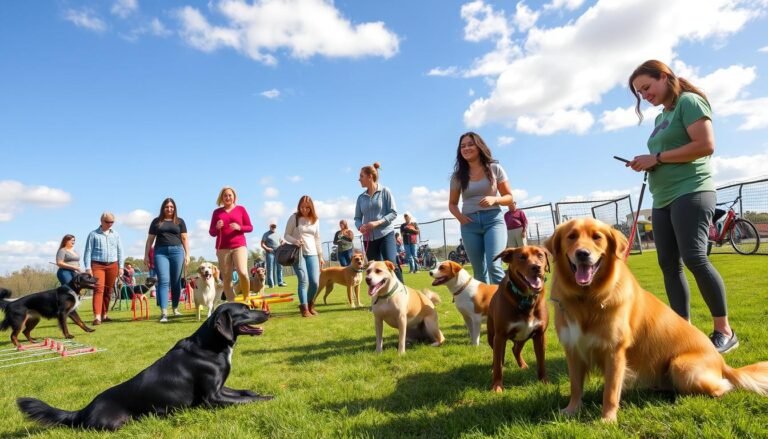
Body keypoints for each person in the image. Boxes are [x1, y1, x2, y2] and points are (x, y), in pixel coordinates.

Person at [628, 59, 737, 354]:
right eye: (639, 92)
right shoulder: (660, 118)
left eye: (647, 87)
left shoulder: (689, 102)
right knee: (668, 265)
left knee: (694, 258)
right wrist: (647, 163)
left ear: (664, 77)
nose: (644, 95)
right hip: (661, 198)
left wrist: (658, 158)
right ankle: (682, 331)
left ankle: (724, 330)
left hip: (692, 191)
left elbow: (705, 145)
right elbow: (664, 154)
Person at [449, 132, 513, 284]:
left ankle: (505, 305)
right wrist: (460, 218)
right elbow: (452, 204)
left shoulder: (495, 169)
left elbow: (509, 197)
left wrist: (495, 199)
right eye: (462, 146)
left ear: (479, 146)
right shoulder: (458, 176)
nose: (466, 148)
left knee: (494, 266)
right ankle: (485, 307)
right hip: (469, 225)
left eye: (470, 144)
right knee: (479, 271)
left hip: (493, 221)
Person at [355, 163, 403, 283]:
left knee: (391, 264)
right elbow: (357, 218)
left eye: (361, 176)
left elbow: (393, 213)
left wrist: (377, 223)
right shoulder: (360, 198)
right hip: (368, 239)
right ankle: (379, 299)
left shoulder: (385, 191)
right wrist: (360, 226)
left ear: (370, 176)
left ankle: (403, 293)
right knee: (374, 269)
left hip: (386, 235)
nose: (359, 179)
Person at [145, 197, 190, 323]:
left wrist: (187, 255)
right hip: (160, 252)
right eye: (167, 207)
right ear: (163, 208)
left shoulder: (180, 221)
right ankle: (164, 313)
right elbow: (150, 240)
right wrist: (146, 255)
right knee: (164, 281)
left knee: (176, 282)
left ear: (174, 208)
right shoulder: (156, 222)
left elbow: (185, 239)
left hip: (177, 251)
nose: (169, 209)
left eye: (171, 207)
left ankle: (175, 308)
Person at [209, 186, 252, 302]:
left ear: (234, 197)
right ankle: (232, 303)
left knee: (243, 272)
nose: (227, 197)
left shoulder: (241, 209)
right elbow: (211, 232)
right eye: (225, 195)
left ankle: (246, 298)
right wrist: (217, 227)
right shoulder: (217, 212)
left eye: (230, 195)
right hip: (222, 248)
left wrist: (239, 227)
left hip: (239, 246)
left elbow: (250, 227)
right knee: (227, 278)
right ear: (221, 198)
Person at [284, 195, 324, 317]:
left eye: (307, 207)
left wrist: (320, 256)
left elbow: (317, 238)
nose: (304, 209)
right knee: (303, 280)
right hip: (298, 254)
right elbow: (286, 235)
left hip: (312, 254)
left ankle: (311, 304)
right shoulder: (294, 218)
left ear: (311, 207)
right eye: (302, 207)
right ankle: (304, 308)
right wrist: (295, 241)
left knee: (315, 282)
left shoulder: (316, 220)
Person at [83, 212, 124, 325]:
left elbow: (120, 251)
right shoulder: (93, 234)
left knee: (108, 290)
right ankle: (97, 317)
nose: (110, 224)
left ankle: (104, 314)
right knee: (98, 289)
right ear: (101, 221)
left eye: (112, 222)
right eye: (108, 222)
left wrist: (121, 266)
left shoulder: (115, 234)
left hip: (113, 264)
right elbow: (88, 251)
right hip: (97, 265)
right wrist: (87, 267)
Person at [261, 223, 286, 288]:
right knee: (270, 268)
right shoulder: (266, 234)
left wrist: (283, 242)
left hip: (278, 252)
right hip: (270, 253)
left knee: (280, 267)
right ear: (270, 227)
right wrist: (267, 248)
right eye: (272, 227)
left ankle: (280, 282)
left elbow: (281, 241)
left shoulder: (278, 234)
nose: (273, 228)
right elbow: (262, 244)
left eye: (274, 227)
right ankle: (271, 284)